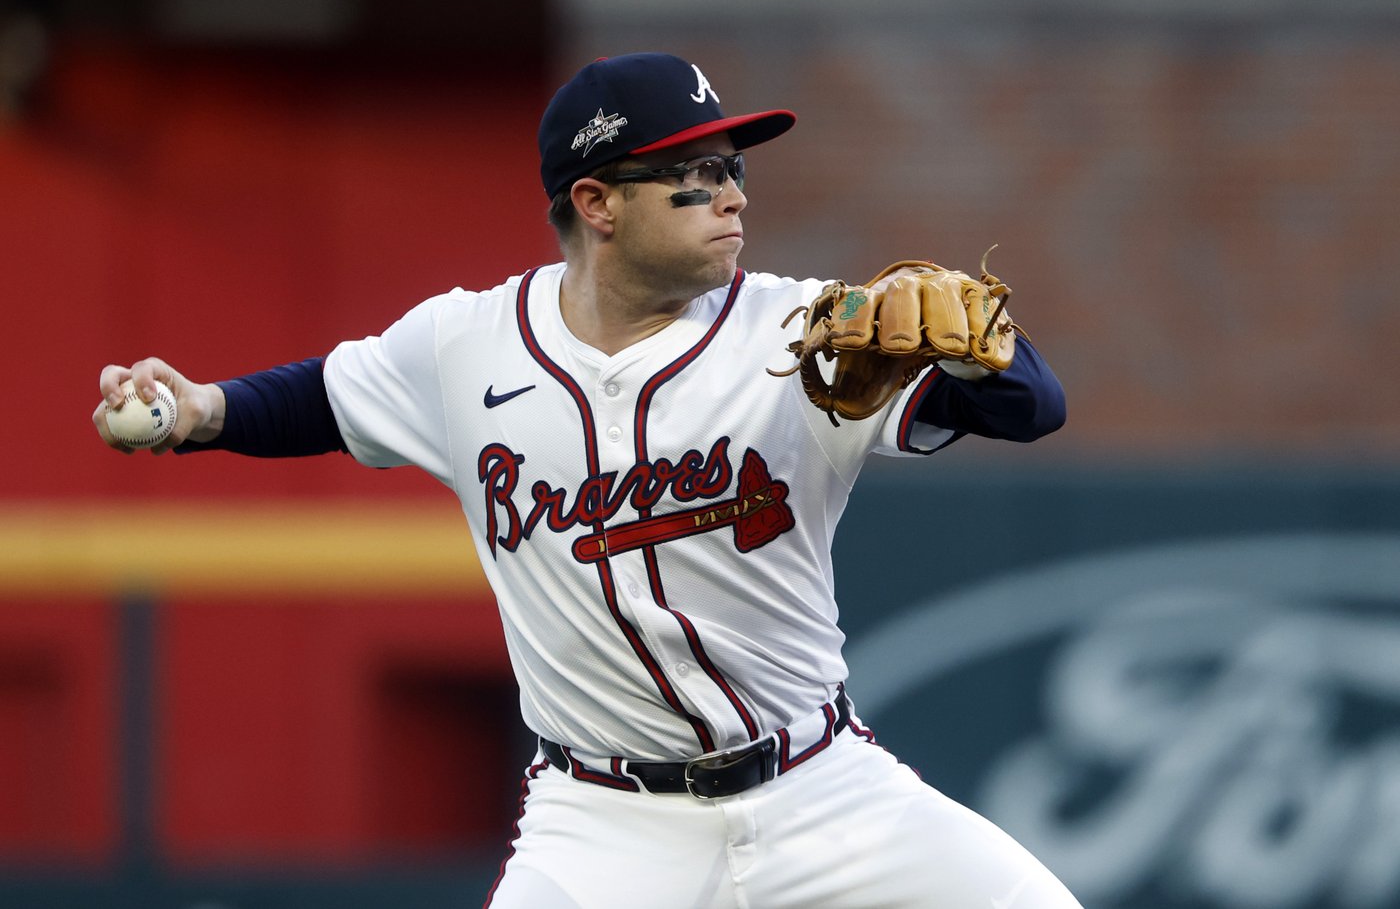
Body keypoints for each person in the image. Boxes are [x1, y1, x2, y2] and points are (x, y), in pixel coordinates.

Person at [93, 52, 1079, 908]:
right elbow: (325, 396)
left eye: (731, 167)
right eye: (692, 175)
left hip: (820, 787)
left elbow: (1030, 410)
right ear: (597, 202)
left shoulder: (800, 332)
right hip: (605, 823)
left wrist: (977, 356)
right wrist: (197, 412)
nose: (732, 194)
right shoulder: (463, 345)